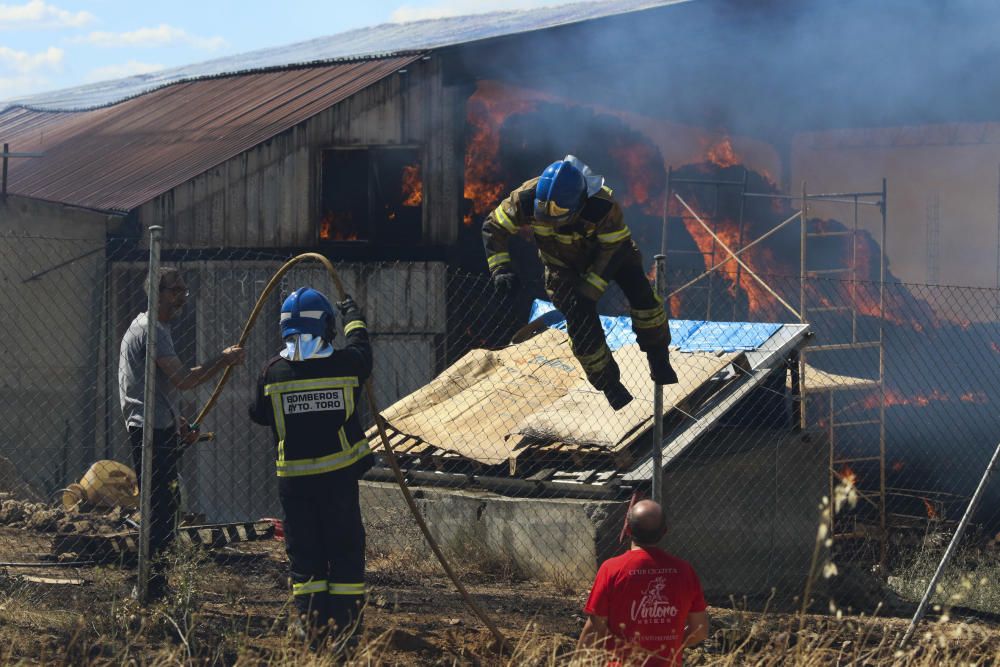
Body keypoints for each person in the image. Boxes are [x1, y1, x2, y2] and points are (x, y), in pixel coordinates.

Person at [482, 155, 677, 411]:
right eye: (545, 209)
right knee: (580, 323)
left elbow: (612, 251)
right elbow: (492, 226)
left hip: (614, 256)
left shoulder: (602, 206)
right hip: (562, 267)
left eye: (559, 212)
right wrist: (500, 268)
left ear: (578, 202)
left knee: (643, 299)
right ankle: (609, 385)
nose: (549, 217)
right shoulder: (525, 198)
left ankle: (658, 357)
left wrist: (590, 290)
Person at [248, 287, 374, 647]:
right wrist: (354, 318)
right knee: (345, 554)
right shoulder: (348, 365)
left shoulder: (271, 373)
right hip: (338, 483)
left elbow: (258, 415)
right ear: (326, 326)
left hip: (295, 487)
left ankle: (311, 632)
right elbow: (363, 352)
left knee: (306, 560)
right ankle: (346, 636)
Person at [118, 266, 245, 599]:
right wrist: (223, 359)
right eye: (175, 290)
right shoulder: (152, 330)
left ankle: (153, 583)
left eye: (183, 290)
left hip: (155, 426)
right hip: (149, 431)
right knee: (161, 508)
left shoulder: (149, 327)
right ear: (156, 293)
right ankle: (151, 586)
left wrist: (178, 422)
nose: (182, 296)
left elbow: (155, 388)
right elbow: (184, 380)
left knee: (166, 505)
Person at [578, 500, 709, 666]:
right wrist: (672, 646)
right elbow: (700, 630)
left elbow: (595, 627)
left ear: (628, 530)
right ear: (664, 532)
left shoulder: (611, 569)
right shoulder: (685, 571)